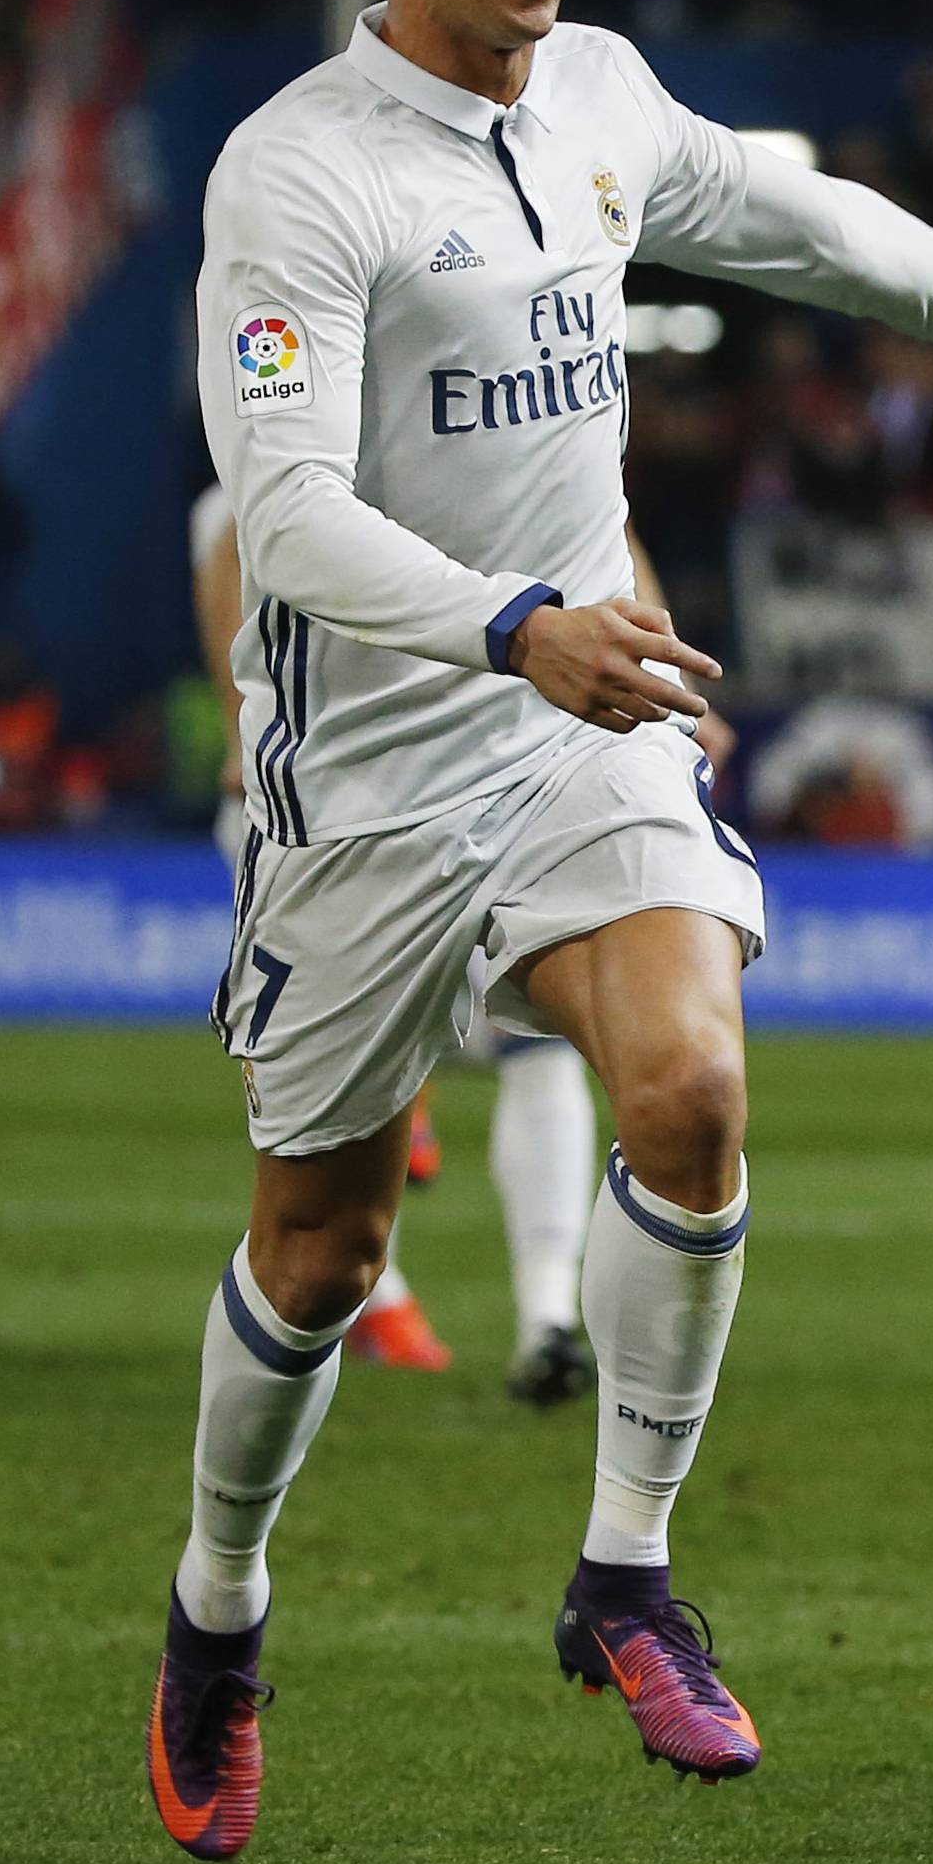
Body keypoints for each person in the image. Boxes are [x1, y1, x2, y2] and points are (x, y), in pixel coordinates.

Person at [150, 0, 933, 1861]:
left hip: (571, 720)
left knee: (689, 1085)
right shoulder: (297, 171)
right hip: (372, 772)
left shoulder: (596, 91)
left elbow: (776, 211)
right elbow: (291, 514)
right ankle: (217, 1607)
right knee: (318, 1249)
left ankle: (623, 1576)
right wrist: (516, 616)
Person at [190, 488, 734, 1401]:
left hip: (531, 774)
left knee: (539, 1048)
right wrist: (240, 722)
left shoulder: (533, 403)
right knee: (334, 1128)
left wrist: (664, 683)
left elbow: (610, 524)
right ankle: (389, 1296)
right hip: (356, 799)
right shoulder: (301, 439)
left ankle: (548, 1317)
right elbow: (238, 554)